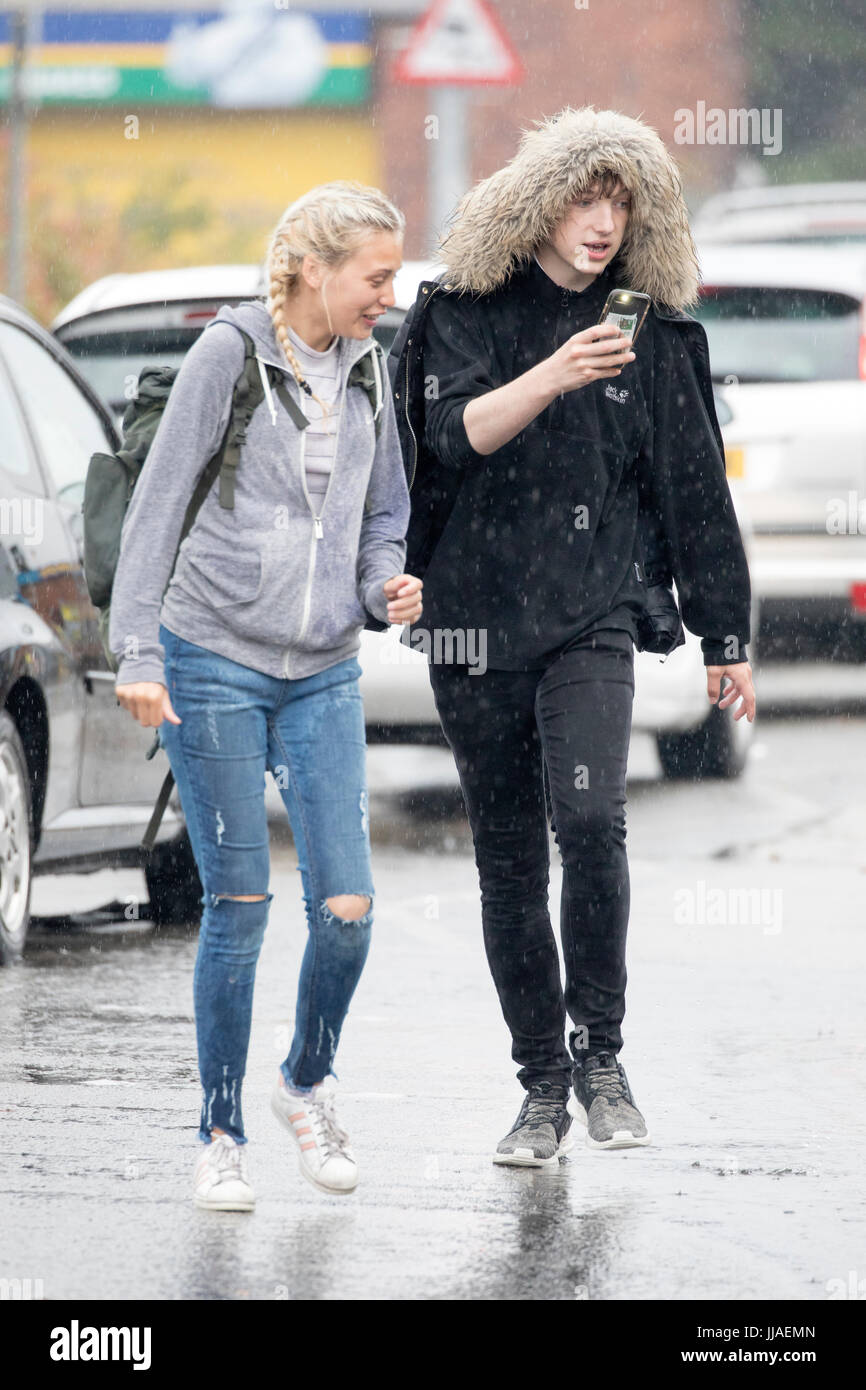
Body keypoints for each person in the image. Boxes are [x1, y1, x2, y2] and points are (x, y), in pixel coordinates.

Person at [388, 106, 756, 1166]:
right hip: (470, 623)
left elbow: (692, 492)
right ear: (536, 202)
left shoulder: (656, 331)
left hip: (593, 608)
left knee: (591, 820)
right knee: (506, 861)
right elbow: (447, 438)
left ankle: (602, 1056)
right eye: (584, 198)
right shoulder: (461, 310)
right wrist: (554, 371)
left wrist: (723, 632)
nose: (601, 223)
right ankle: (539, 1087)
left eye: (620, 202)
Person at [111, 181, 422, 1209]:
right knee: (238, 902)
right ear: (311, 271)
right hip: (212, 658)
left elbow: (385, 515)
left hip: (323, 666)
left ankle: (304, 1076)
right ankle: (219, 1130)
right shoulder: (228, 357)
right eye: (375, 275)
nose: (389, 292)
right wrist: (138, 654)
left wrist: (384, 584)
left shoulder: (374, 367)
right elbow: (157, 506)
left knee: (347, 906)